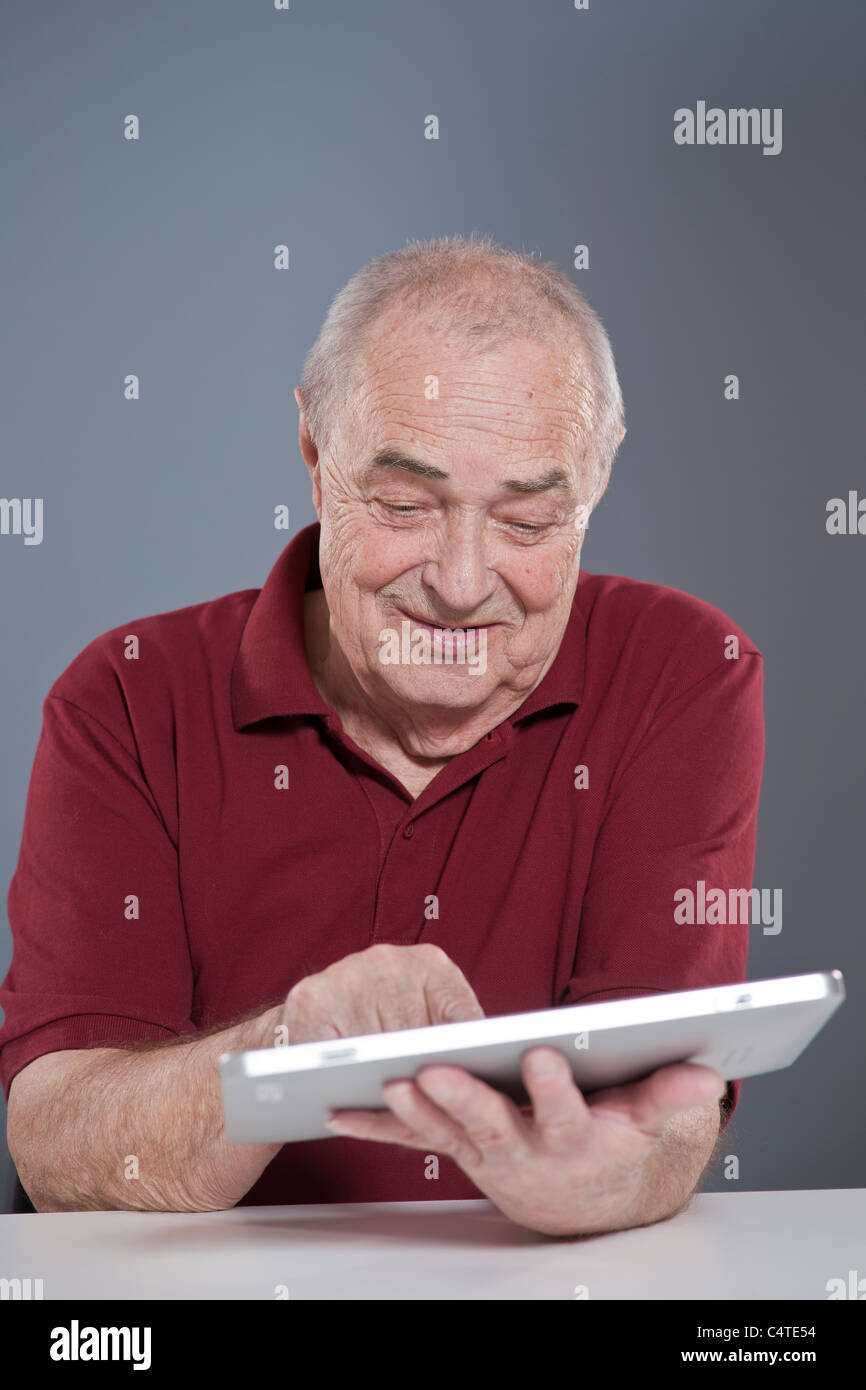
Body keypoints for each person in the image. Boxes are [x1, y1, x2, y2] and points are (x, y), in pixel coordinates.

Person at [0, 235, 763, 1236]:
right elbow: (56, 1145)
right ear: (315, 458)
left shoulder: (679, 669)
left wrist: (605, 1178)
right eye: (405, 505)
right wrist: (288, 1051)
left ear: (596, 486)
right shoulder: (128, 700)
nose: (456, 582)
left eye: (528, 523)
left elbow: (665, 1104)